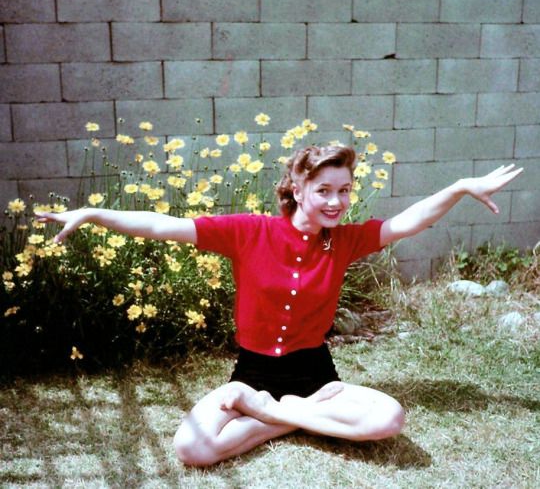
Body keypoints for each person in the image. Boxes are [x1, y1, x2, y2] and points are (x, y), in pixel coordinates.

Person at [37, 143, 522, 467]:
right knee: (190, 447)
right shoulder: (249, 232)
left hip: (315, 374)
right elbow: (162, 224)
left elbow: (410, 221)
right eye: (324, 191)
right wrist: (93, 213)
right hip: (252, 373)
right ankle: (288, 416)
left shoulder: (347, 241)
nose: (336, 202)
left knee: (389, 419)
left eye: (345, 190)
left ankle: (273, 414)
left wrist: (459, 188)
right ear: (296, 187)